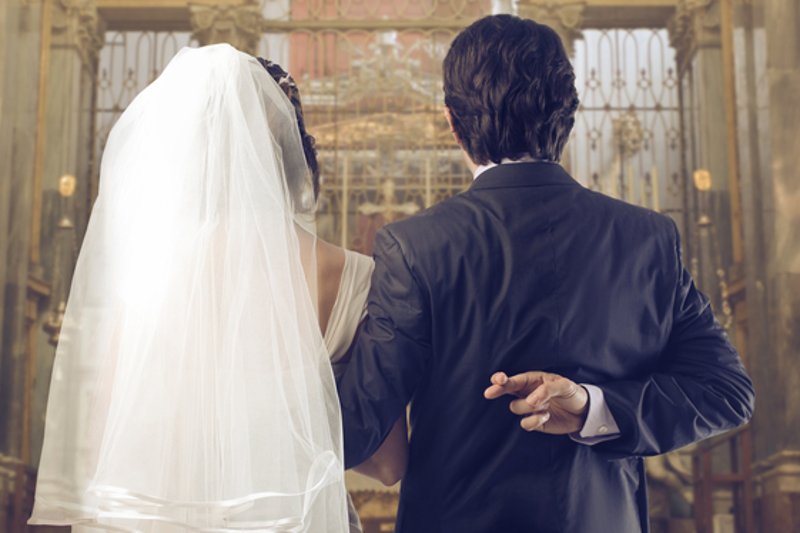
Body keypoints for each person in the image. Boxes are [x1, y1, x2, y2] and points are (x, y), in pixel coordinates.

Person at [336, 14, 755, 533]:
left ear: (451, 120)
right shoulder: (646, 238)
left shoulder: (415, 246)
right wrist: (592, 408)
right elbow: (726, 392)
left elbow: (358, 430)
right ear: (569, 113)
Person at [28, 44, 406, 533]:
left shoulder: (146, 276)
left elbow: (103, 446)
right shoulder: (352, 274)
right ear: (291, 153)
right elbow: (389, 465)